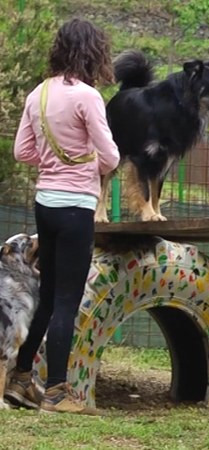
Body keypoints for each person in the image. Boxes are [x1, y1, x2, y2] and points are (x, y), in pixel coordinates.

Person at [4, 18, 120, 414]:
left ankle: (21, 379)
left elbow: (22, 152)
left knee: (50, 296)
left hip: (45, 204)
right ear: (93, 53)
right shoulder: (88, 97)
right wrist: (82, 160)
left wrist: (53, 159)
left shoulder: (37, 93)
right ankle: (57, 392)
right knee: (68, 299)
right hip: (76, 206)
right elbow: (112, 157)